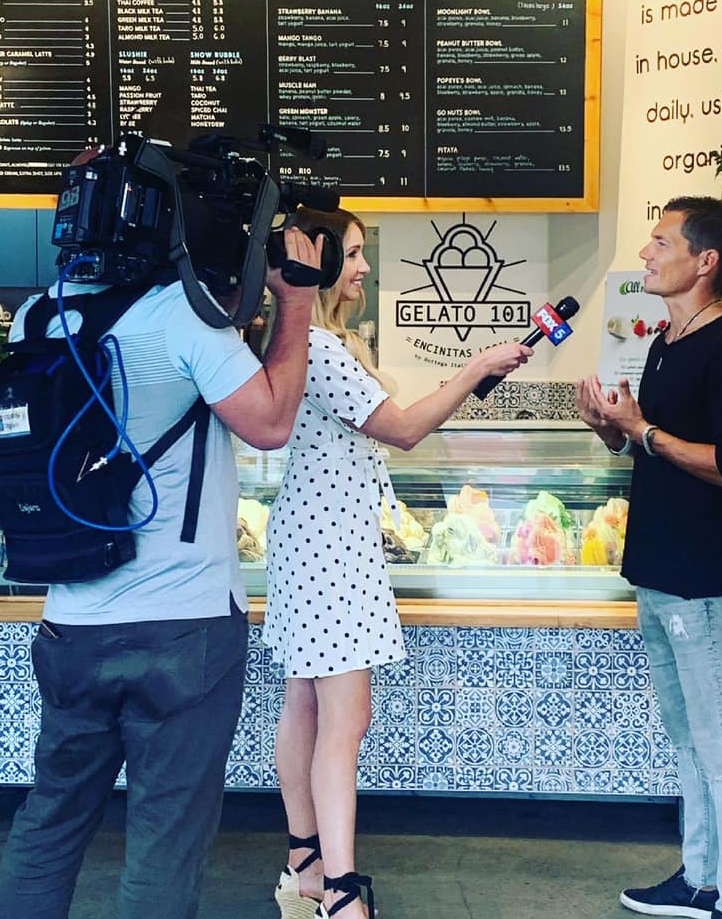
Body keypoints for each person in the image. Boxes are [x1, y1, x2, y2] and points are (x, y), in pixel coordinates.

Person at [0, 166, 324, 919]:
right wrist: (295, 302)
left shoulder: (39, 317)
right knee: (164, 836)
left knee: (50, 820)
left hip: (71, 623)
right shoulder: (183, 317)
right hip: (184, 626)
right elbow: (271, 422)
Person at [264, 206, 532, 919]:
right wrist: (477, 367)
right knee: (345, 719)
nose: (363, 267)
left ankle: (306, 866)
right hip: (330, 549)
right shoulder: (321, 348)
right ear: (320, 261)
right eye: (352, 254)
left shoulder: (306, 339)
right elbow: (405, 429)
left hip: (313, 541)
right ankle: (340, 892)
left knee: (306, 704)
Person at [576, 196, 722, 919]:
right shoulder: (665, 341)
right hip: (657, 573)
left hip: (703, 583)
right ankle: (699, 877)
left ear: (705, 260)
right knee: (687, 739)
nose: (646, 254)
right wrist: (610, 429)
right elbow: (651, 447)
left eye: (661, 242)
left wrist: (644, 430)